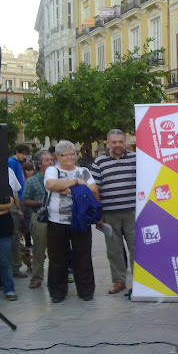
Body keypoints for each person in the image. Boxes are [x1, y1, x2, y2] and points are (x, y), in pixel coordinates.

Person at [44, 140, 97, 303]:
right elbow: (51, 184)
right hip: (57, 221)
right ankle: (57, 292)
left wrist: (66, 189)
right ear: (58, 157)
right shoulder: (53, 170)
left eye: (72, 154)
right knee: (57, 258)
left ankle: (86, 290)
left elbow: (93, 188)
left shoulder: (83, 171)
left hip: (81, 220)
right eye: (65, 155)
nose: (69, 157)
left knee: (83, 256)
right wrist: (76, 183)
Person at [91, 129, 136, 295]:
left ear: (125, 142)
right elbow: (95, 188)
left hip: (133, 212)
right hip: (109, 213)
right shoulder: (99, 162)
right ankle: (119, 281)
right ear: (108, 143)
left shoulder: (136, 159)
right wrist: (98, 213)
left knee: (136, 247)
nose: (118, 145)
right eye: (114, 142)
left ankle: (140, 281)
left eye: (121, 142)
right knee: (114, 249)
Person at [21, 150, 54, 289]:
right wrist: (39, 203)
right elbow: (25, 200)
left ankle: (59, 275)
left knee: (57, 249)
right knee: (39, 250)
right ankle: (36, 278)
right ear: (39, 164)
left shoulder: (57, 178)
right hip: (40, 217)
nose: (51, 162)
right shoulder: (32, 181)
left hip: (56, 216)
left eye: (51, 160)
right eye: (47, 160)